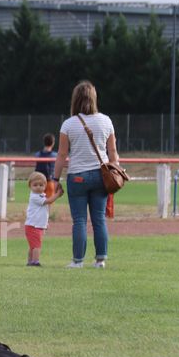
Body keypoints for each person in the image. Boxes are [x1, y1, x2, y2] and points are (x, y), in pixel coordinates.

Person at [52, 81, 119, 269]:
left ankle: (78, 260)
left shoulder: (68, 124)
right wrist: (115, 172)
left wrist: (55, 179)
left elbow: (62, 155)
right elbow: (113, 152)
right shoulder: (106, 121)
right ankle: (100, 259)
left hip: (77, 176)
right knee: (99, 218)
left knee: (79, 220)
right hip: (101, 175)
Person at [24, 171, 63, 266]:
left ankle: (30, 261)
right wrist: (57, 195)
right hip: (33, 226)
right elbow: (49, 201)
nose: (38, 187)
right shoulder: (34, 197)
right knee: (37, 246)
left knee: (33, 246)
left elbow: (43, 212)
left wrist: (45, 223)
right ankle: (35, 261)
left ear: (45, 186)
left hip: (36, 225)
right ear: (30, 186)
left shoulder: (41, 195)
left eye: (41, 185)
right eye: (35, 185)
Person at [33, 133, 57, 198]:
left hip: (38, 182)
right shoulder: (55, 155)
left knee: (38, 202)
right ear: (53, 143)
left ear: (44, 142)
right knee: (48, 202)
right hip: (49, 181)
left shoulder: (37, 154)